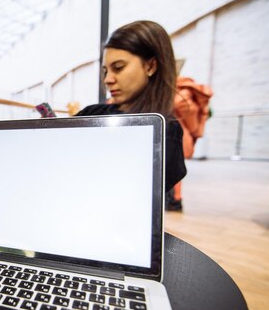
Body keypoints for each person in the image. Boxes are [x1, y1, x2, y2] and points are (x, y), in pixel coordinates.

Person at [74, 20, 186, 193]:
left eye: (118, 68)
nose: (108, 80)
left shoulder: (166, 131)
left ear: (150, 66)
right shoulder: (91, 113)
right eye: (105, 71)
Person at [166, 76, 213, 211]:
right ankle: (174, 200)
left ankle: (175, 200)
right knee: (173, 166)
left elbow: (185, 107)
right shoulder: (182, 88)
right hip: (180, 130)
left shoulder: (181, 90)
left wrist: (193, 129)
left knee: (174, 166)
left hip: (178, 131)